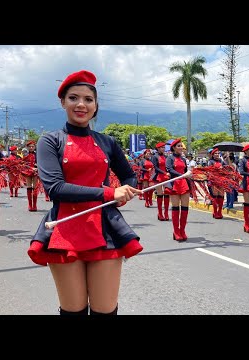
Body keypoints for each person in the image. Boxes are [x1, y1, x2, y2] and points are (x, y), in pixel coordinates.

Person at [27, 70, 143, 315]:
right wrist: (110, 194)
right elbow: (56, 188)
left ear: (96, 105)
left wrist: (126, 191)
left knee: (105, 310)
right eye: (73, 98)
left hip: (105, 228)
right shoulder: (50, 141)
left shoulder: (107, 142)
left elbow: (129, 176)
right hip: (64, 229)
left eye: (88, 99)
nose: (81, 104)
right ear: (63, 102)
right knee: (73, 311)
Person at [165, 138, 191, 241]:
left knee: (185, 208)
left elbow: (186, 171)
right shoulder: (170, 158)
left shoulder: (184, 159)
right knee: (175, 207)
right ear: (174, 148)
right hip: (174, 183)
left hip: (184, 184)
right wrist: (182, 175)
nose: (181, 148)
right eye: (179, 146)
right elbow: (170, 169)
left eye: (181, 146)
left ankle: (182, 230)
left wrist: (188, 177)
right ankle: (176, 231)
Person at [151, 141, 170, 221]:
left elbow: (168, 166)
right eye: (162, 147)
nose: (163, 149)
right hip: (158, 176)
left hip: (166, 176)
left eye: (164, 147)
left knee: (167, 193)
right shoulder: (155, 157)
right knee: (160, 194)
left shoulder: (166, 157)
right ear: (158, 148)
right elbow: (156, 168)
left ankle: (166, 213)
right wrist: (165, 172)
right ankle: (160, 213)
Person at [207, 148, 227, 219]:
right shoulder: (210, 161)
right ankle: (215, 212)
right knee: (215, 196)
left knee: (221, 196)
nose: (217, 154)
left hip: (221, 180)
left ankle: (220, 212)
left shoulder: (222, 161)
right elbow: (209, 171)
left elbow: (227, 168)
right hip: (214, 180)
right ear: (212, 155)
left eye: (218, 153)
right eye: (215, 153)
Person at [22, 140, 39, 211]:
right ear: (27, 147)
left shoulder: (38, 155)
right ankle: (30, 204)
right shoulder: (25, 155)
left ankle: (34, 205)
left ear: (35, 147)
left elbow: (41, 163)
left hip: (35, 172)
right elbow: (22, 164)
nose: (31, 148)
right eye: (30, 146)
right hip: (27, 172)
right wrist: (28, 167)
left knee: (35, 187)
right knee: (29, 187)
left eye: (33, 146)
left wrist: (37, 167)